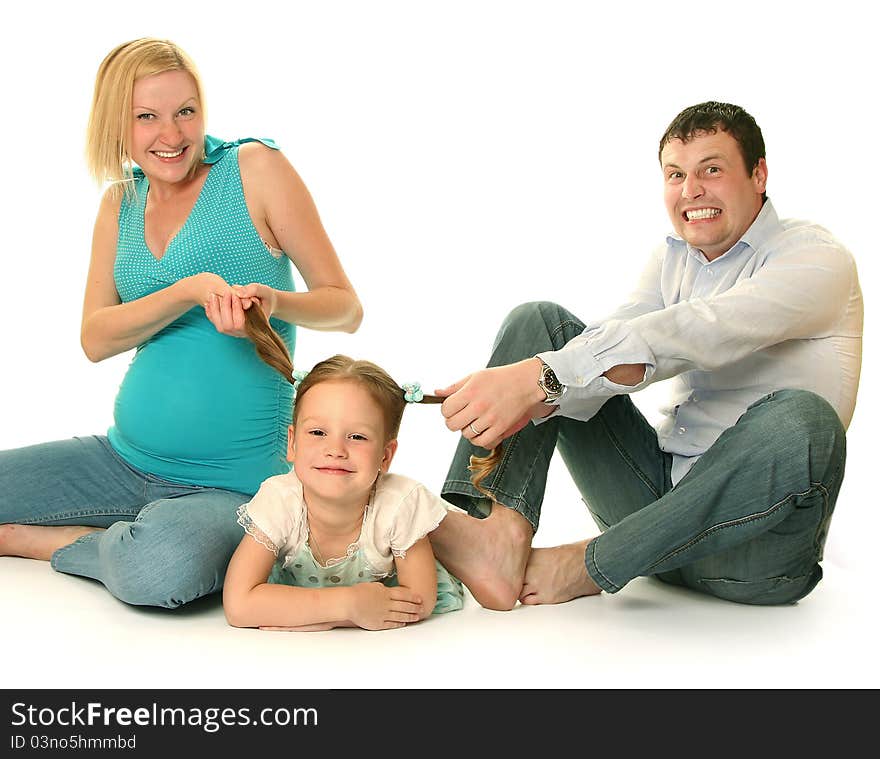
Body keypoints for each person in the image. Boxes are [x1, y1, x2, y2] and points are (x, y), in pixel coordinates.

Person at [429, 101, 863, 611]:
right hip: (652, 509)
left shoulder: (816, 258)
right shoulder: (671, 257)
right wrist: (535, 386)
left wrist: (543, 377)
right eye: (675, 175)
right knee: (540, 324)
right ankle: (493, 535)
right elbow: (616, 353)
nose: (691, 190)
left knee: (804, 419)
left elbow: (704, 331)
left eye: (712, 170)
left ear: (759, 174)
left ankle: (590, 564)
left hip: (754, 553)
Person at [0, 38, 362, 609]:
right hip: (120, 460)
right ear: (117, 123)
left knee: (159, 566)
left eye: (185, 112)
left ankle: (64, 544)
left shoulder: (254, 170)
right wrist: (187, 292)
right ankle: (128, 531)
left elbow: (345, 306)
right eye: (147, 117)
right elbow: (95, 338)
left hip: (232, 487)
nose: (171, 136)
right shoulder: (120, 202)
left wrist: (277, 302)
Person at [222, 355, 464, 631]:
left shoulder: (398, 504)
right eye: (317, 432)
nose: (335, 449)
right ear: (292, 443)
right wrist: (348, 607)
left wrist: (307, 618)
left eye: (357, 437)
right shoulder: (279, 499)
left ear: (385, 456)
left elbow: (420, 599)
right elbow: (239, 604)